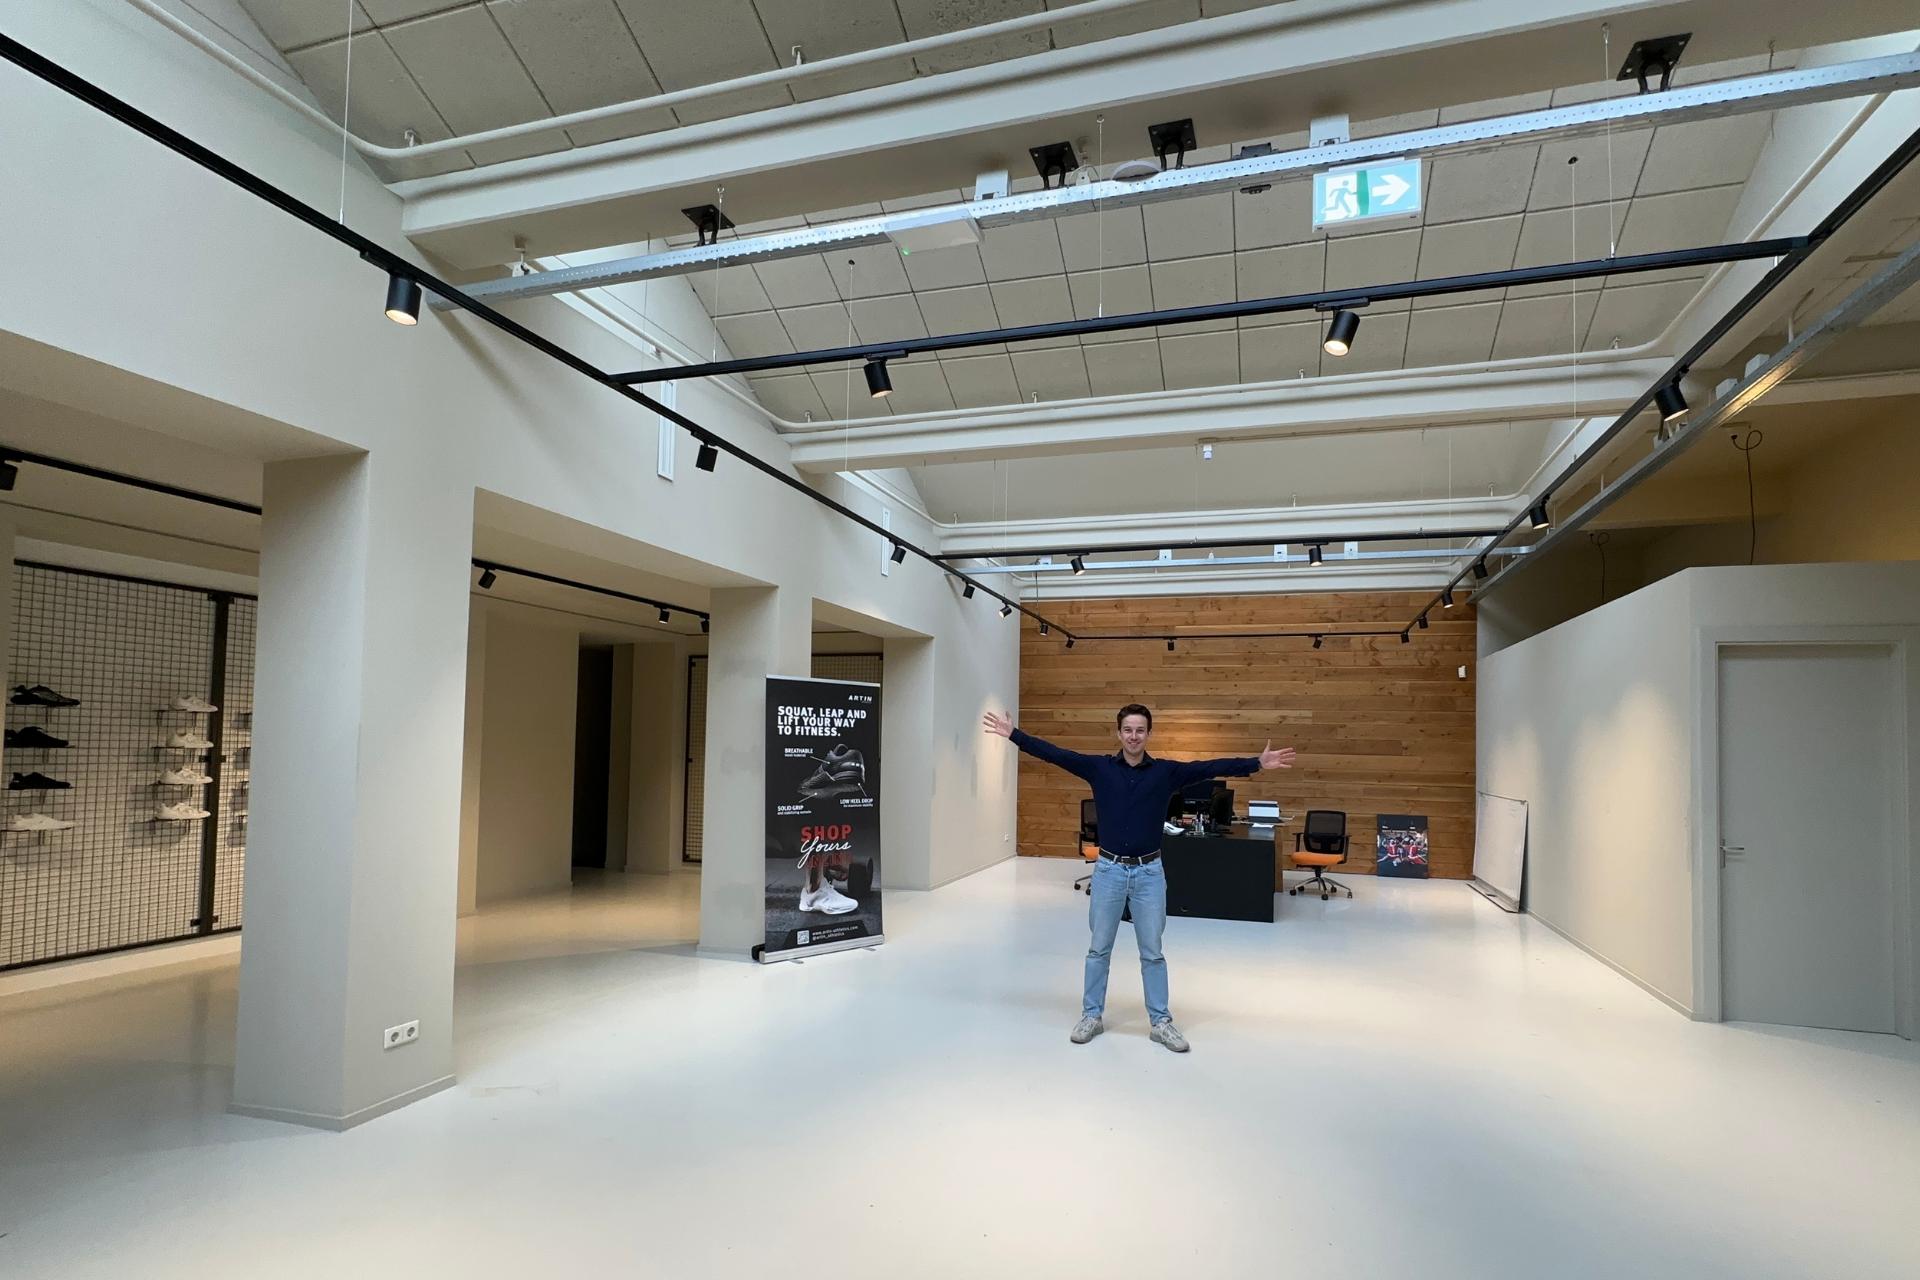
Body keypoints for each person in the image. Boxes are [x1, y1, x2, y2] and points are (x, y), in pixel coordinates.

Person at [983, 704, 1295, 1052]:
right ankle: (1091, 1015)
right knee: (1098, 949)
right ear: (1119, 733)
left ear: (1149, 734)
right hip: (1109, 871)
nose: (1134, 736)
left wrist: (1256, 763)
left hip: (1149, 873)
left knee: (1152, 953)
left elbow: (1209, 767)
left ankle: (1161, 1022)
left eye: (1140, 730)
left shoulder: (1165, 773)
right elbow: (1055, 754)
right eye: (1128, 730)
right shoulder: (1099, 768)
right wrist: (1014, 735)